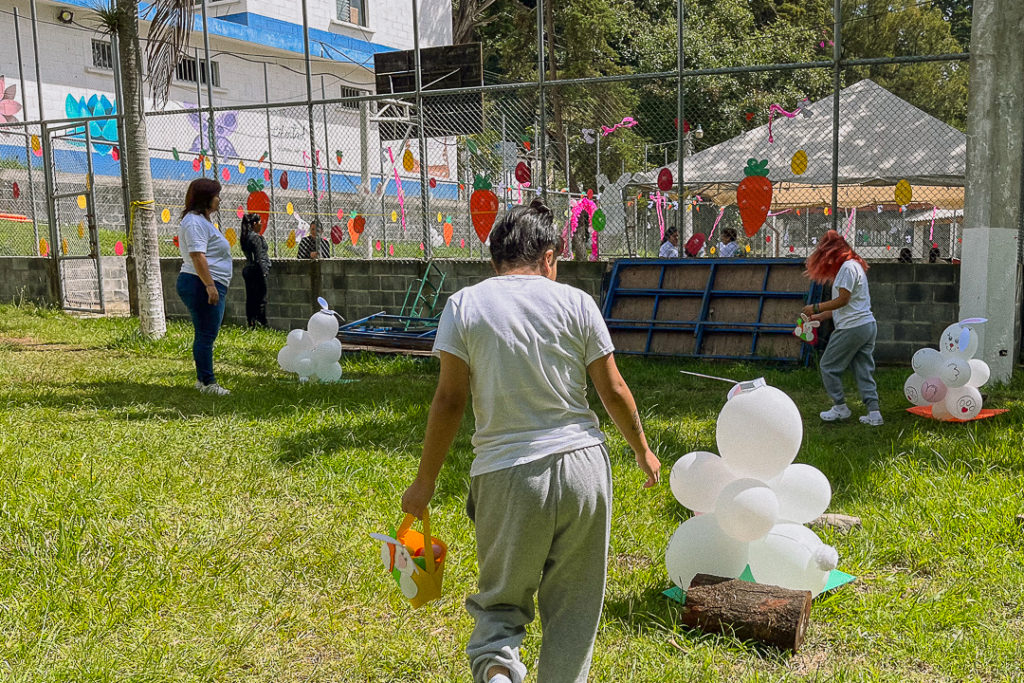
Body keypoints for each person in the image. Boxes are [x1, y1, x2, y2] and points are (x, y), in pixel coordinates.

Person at [401, 199, 661, 683]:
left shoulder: (465, 305)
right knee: (575, 610)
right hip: (585, 467)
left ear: (495, 259)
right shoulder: (577, 302)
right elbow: (614, 389)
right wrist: (642, 450)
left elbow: (449, 402)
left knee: (501, 605)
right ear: (549, 257)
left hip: (508, 473)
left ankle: (499, 672)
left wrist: (424, 483)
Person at [802, 229, 882, 426]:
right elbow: (852, 303)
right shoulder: (855, 266)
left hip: (851, 328)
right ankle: (874, 413)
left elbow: (843, 300)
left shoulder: (846, 268)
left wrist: (815, 307)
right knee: (863, 369)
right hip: (866, 326)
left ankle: (840, 407)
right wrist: (821, 316)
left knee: (828, 366)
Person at [176, 178, 232, 396]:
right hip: (200, 283)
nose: (219, 199)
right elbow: (198, 256)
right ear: (205, 198)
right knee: (206, 335)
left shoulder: (202, 221)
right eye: (216, 195)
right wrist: (209, 285)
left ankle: (202, 380)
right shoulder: (194, 223)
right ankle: (208, 382)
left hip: (207, 282)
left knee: (206, 333)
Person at [239, 213, 270, 327]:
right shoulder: (255, 237)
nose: (261, 225)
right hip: (257, 270)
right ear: (255, 224)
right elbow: (259, 256)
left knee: (251, 298)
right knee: (261, 298)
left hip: (248, 269)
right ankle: (262, 322)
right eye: (260, 222)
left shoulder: (245, 236)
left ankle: (251, 321)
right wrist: (264, 272)